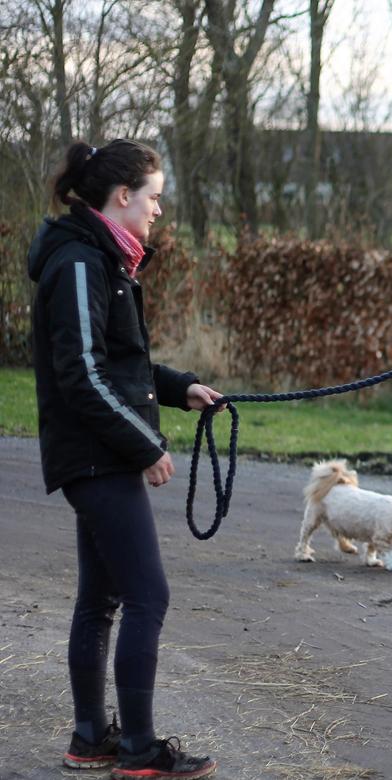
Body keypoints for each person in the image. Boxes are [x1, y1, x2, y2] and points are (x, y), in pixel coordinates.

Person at [27, 139, 220, 779]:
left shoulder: (101, 260)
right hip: (97, 457)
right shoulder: (83, 263)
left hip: (94, 455)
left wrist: (180, 387)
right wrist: (146, 446)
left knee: (102, 597)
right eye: (155, 198)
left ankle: (90, 739)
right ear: (122, 197)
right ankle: (138, 751)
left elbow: (116, 364)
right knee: (147, 596)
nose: (159, 211)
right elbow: (80, 375)